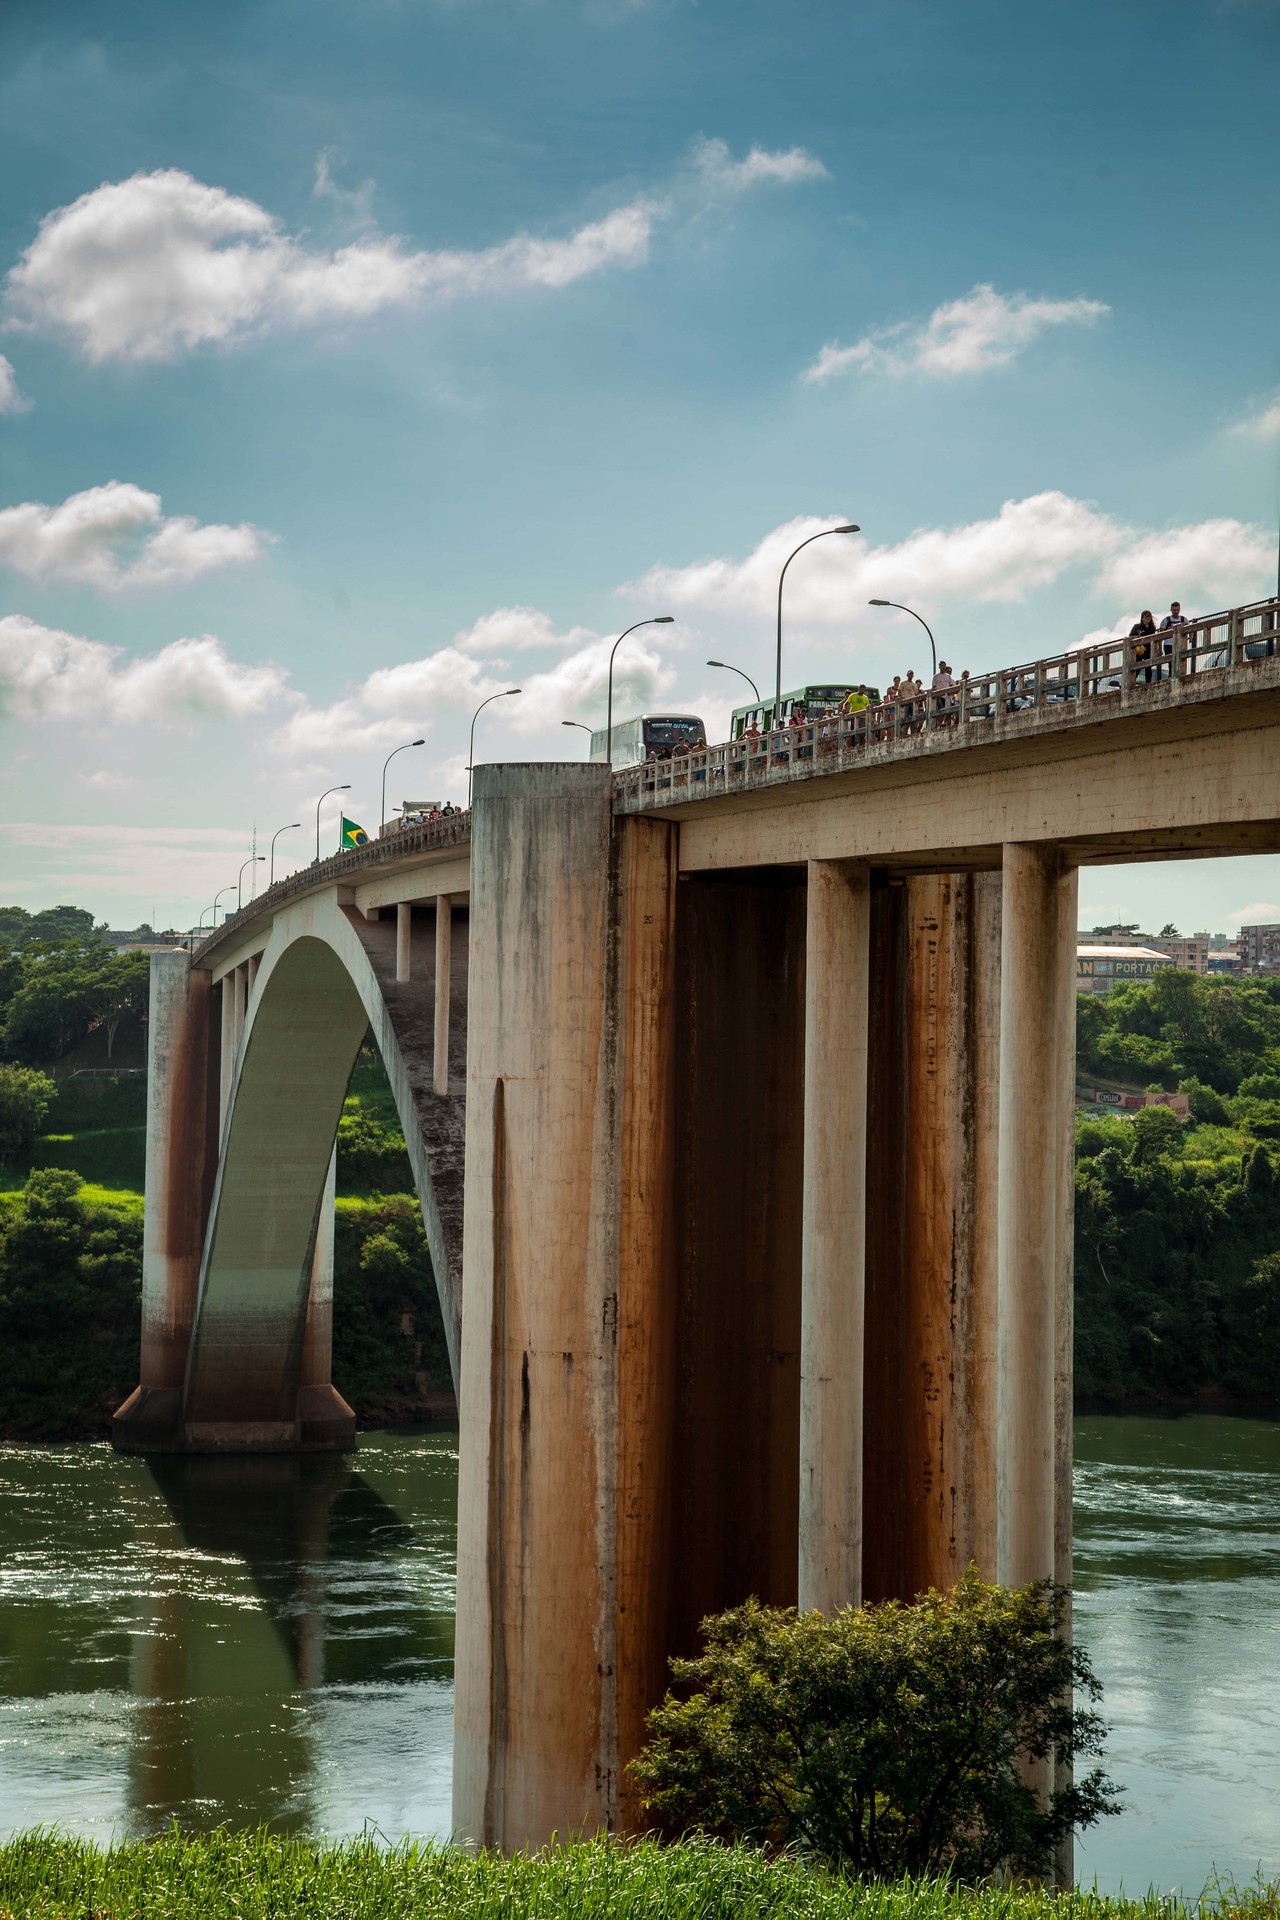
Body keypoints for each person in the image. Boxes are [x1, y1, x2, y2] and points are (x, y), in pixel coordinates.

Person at [1130, 609, 1158, 683]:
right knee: (1137, 667)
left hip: (1148, 649)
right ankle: (1132, 681)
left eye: (1149, 616)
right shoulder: (1137, 627)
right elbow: (1130, 637)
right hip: (1138, 650)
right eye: (1146, 616)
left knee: (1148, 666)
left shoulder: (1152, 628)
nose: (1148, 618)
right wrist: (1138, 638)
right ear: (1142, 618)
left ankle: (1148, 682)